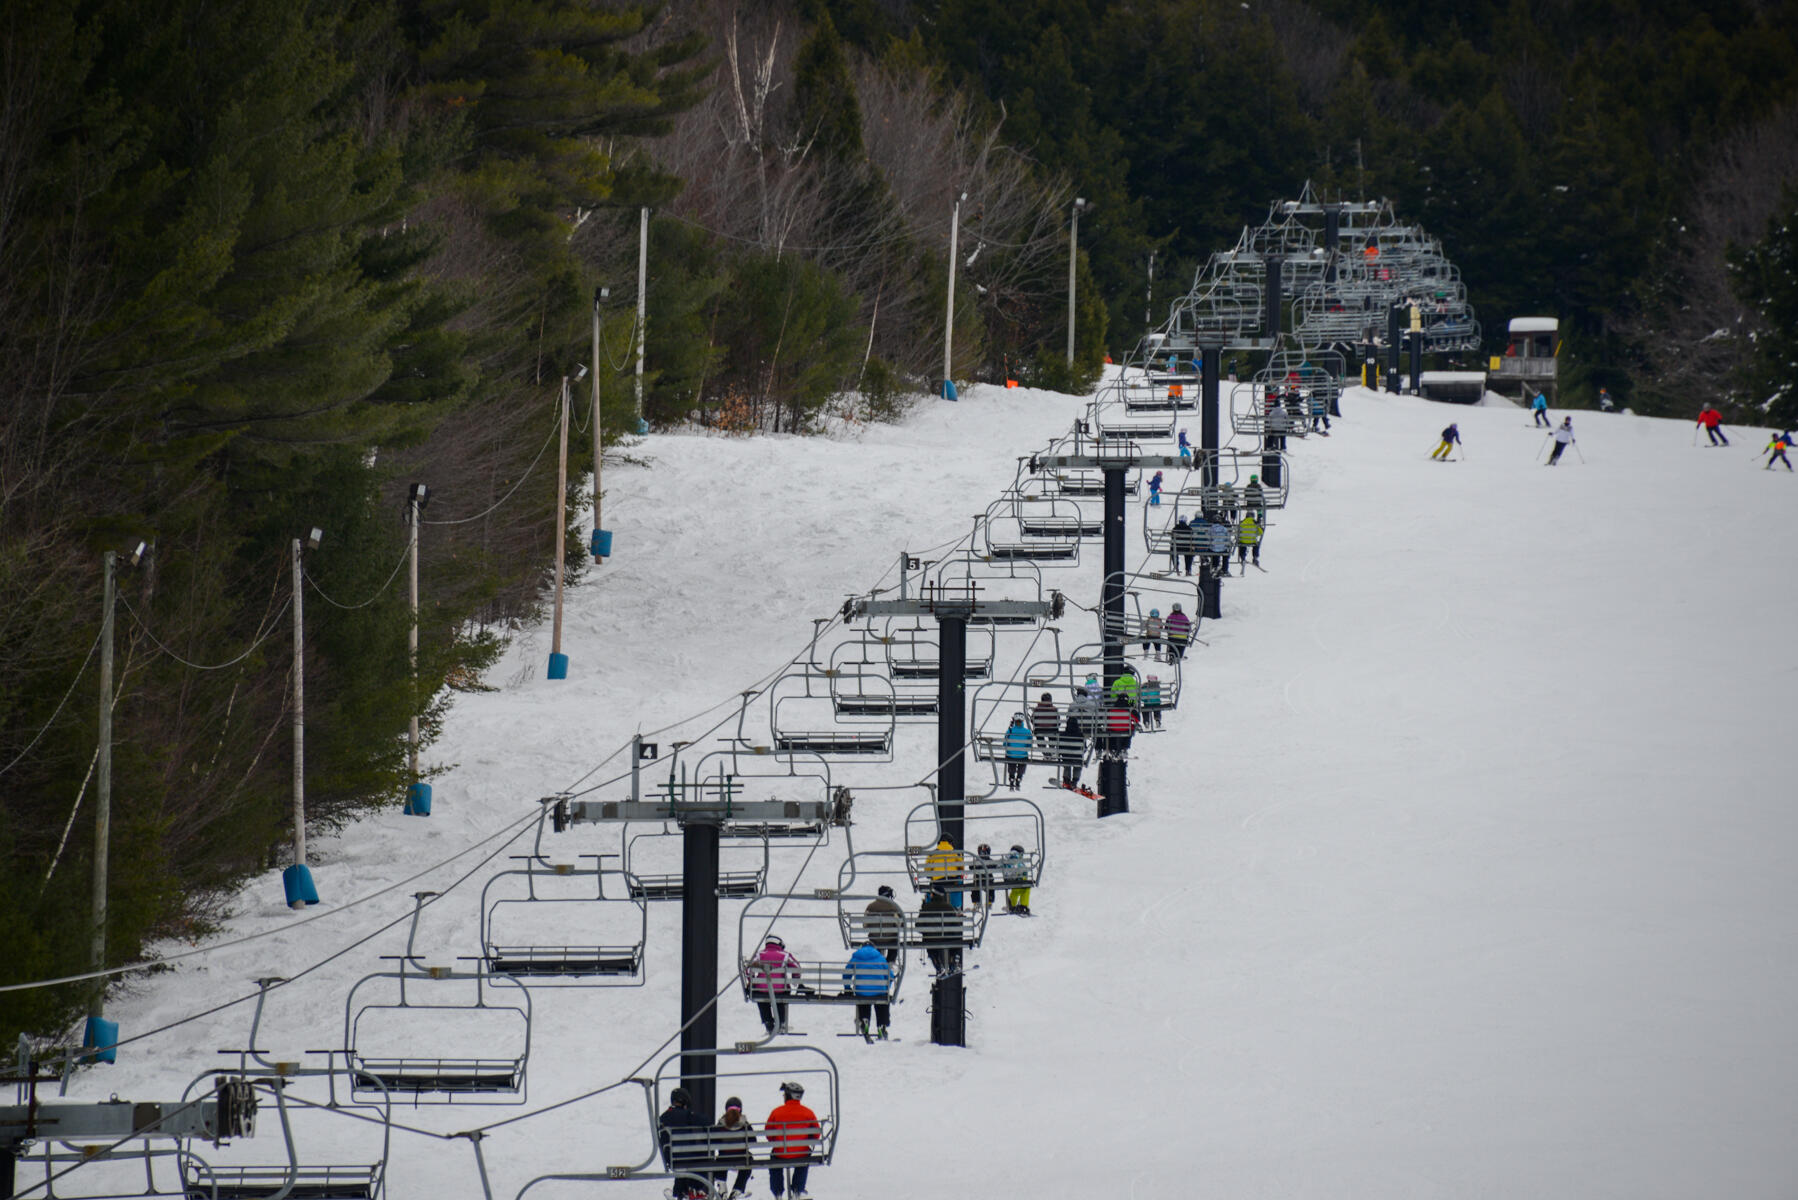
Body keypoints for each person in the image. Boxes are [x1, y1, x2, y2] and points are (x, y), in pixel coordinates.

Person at [765, 1081, 822, 1200]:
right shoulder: (808, 1112)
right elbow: (816, 1134)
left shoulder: (776, 1112)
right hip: (801, 1153)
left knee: (774, 1158)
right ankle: (798, 1189)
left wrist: (778, 1142)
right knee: (805, 1157)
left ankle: (777, 1192)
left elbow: (768, 1133)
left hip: (780, 1153)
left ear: (787, 1095)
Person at [658, 1087, 712, 1199]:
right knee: (703, 1158)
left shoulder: (663, 1117)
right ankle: (694, 1188)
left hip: (671, 1156)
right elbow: (706, 1121)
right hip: (686, 1156)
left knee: (682, 1163)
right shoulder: (686, 1115)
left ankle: (679, 1192)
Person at [841, 941, 894, 1039]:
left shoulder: (856, 957)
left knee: (863, 998)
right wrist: (887, 988)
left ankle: (864, 1019)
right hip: (880, 991)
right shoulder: (880, 958)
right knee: (882, 1003)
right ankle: (882, 1025)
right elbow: (891, 976)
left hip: (862, 991)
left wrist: (847, 989)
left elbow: (846, 974)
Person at [749, 935, 799, 1035]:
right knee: (782, 995)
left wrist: (750, 981)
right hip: (779, 989)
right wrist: (795, 978)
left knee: (762, 998)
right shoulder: (785, 955)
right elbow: (796, 966)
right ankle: (781, 1022)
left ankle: (768, 1023)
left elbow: (748, 968)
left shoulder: (759, 954)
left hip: (761, 988)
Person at [710, 1097, 756, 1199]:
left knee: (719, 1161)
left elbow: (713, 1142)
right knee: (748, 1163)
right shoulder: (744, 1124)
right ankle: (738, 1189)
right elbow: (753, 1140)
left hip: (724, 1158)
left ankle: (722, 1186)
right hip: (742, 1157)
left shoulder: (721, 1123)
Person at [918, 884, 960, 974]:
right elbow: (955, 925)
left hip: (931, 940)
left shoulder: (926, 908)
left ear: (933, 895)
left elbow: (918, 926)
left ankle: (937, 964)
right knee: (955, 940)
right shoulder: (949, 908)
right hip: (948, 938)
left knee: (930, 945)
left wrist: (926, 931)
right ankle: (953, 960)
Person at [863, 885, 904, 964]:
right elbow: (901, 924)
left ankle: (878, 961)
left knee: (877, 941)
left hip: (874, 939)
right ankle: (890, 961)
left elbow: (865, 925)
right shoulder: (894, 907)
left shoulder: (870, 907)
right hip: (891, 939)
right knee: (895, 941)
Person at [924, 838, 964, 907]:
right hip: (952, 881)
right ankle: (956, 905)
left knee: (931, 884)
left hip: (937, 882)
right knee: (959, 881)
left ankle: (929, 905)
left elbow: (927, 870)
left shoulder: (932, 854)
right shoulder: (956, 853)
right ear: (950, 843)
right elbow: (962, 867)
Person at [1058, 709, 1088, 788]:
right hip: (1077, 757)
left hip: (1066, 757)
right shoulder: (1080, 735)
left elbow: (1059, 747)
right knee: (1078, 765)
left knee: (1067, 763)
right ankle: (1074, 781)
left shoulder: (1062, 734)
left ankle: (1066, 779)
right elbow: (1084, 748)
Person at [1002, 714, 1031, 790]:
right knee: (1023, 759)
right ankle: (1019, 777)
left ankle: (1012, 777)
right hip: (1022, 756)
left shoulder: (1009, 731)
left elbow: (1005, 744)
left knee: (1011, 759)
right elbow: (1029, 746)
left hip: (1011, 755)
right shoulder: (1027, 732)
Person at [1003, 844, 1033, 915]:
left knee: (1016, 889)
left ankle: (1012, 905)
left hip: (1009, 879)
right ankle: (1023, 906)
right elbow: (1019, 867)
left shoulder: (1008, 857)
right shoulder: (1016, 856)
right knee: (1026, 887)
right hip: (1016, 877)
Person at [969, 843, 998, 912]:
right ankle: (989, 902)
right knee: (991, 889)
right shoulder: (990, 861)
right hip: (989, 880)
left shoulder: (976, 861)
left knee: (975, 889)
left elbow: (971, 867)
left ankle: (977, 902)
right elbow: (995, 866)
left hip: (978, 881)